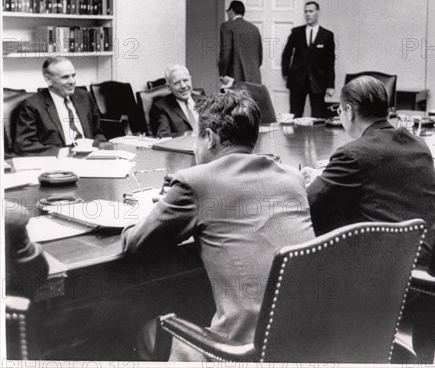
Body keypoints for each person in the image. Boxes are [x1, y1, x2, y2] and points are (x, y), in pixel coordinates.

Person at [122, 90, 315, 361]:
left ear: (210, 138)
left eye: (196, 138)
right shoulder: (293, 178)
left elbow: (136, 244)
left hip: (243, 352)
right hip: (309, 340)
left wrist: (152, 210)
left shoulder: (194, 182)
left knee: (145, 330)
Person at [302, 76, 435, 257]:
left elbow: (309, 204)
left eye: (339, 111)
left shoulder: (352, 155)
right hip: (429, 253)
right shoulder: (418, 143)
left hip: (395, 267)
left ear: (350, 112)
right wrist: (326, 178)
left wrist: (304, 182)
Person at [13, 57, 105, 156]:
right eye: (65, 77)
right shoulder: (32, 104)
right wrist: (61, 152)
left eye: (73, 75)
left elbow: (97, 133)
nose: (72, 81)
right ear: (49, 79)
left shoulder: (84, 97)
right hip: (60, 160)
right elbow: (24, 144)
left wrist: (98, 147)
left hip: (91, 156)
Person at [281, 1, 335, 118]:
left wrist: (331, 85)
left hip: (318, 81)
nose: (308, 14)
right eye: (306, 12)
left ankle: (317, 137)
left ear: (318, 13)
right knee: (295, 116)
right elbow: (286, 53)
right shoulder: (296, 32)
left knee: (318, 117)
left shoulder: (327, 35)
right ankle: (295, 137)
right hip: (297, 80)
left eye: (311, 11)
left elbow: (330, 62)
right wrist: (286, 72)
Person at [150, 65, 204, 137]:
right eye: (177, 83)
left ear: (191, 80)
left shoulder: (204, 100)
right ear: (169, 87)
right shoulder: (161, 107)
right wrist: (188, 134)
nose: (183, 86)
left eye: (185, 80)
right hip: (183, 146)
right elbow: (163, 135)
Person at [217, 0, 263, 85]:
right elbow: (259, 56)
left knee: (232, 98)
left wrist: (222, 73)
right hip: (254, 78)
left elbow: (225, 53)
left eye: (228, 11)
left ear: (231, 11)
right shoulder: (254, 29)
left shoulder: (227, 26)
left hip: (234, 77)